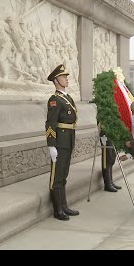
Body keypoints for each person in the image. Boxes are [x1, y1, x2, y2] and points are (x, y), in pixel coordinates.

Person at [45, 64, 79, 221]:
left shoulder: (67, 98)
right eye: (63, 77)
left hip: (68, 141)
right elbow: (50, 123)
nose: (66, 79)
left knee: (63, 175)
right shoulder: (54, 100)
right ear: (56, 80)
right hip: (59, 142)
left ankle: (64, 206)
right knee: (56, 176)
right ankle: (57, 210)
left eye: (66, 76)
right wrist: (51, 145)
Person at [98, 124, 121, 192]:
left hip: (113, 131)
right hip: (105, 132)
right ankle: (107, 184)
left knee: (111, 158)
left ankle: (111, 181)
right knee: (107, 158)